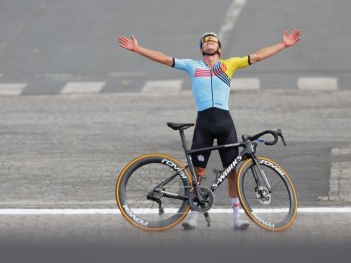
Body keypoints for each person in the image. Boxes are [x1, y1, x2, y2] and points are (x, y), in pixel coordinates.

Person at [118, 29, 301, 230]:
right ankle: (194, 216)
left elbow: (257, 56)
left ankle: (237, 218)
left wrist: (283, 45)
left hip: (225, 124)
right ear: (201, 49)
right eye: (205, 41)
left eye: (213, 40)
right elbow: (164, 59)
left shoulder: (228, 65)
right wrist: (137, 49)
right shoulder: (192, 66)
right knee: (198, 172)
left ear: (219, 49)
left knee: (232, 173)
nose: (209, 42)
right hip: (204, 124)